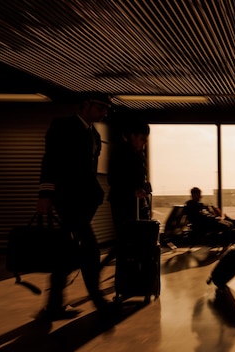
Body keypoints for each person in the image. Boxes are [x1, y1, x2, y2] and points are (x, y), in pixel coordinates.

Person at [36, 92, 114, 320]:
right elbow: (49, 161)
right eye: (101, 107)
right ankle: (98, 300)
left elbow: (89, 172)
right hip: (66, 199)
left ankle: (53, 305)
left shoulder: (94, 134)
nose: (104, 112)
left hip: (84, 201)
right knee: (89, 248)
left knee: (64, 251)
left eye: (107, 109)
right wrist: (45, 194)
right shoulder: (62, 126)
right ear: (85, 105)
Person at [107, 120, 151, 234]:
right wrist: (133, 190)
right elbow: (114, 179)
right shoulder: (120, 153)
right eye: (142, 138)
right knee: (127, 234)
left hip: (137, 202)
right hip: (123, 202)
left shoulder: (140, 155)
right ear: (133, 136)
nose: (144, 142)